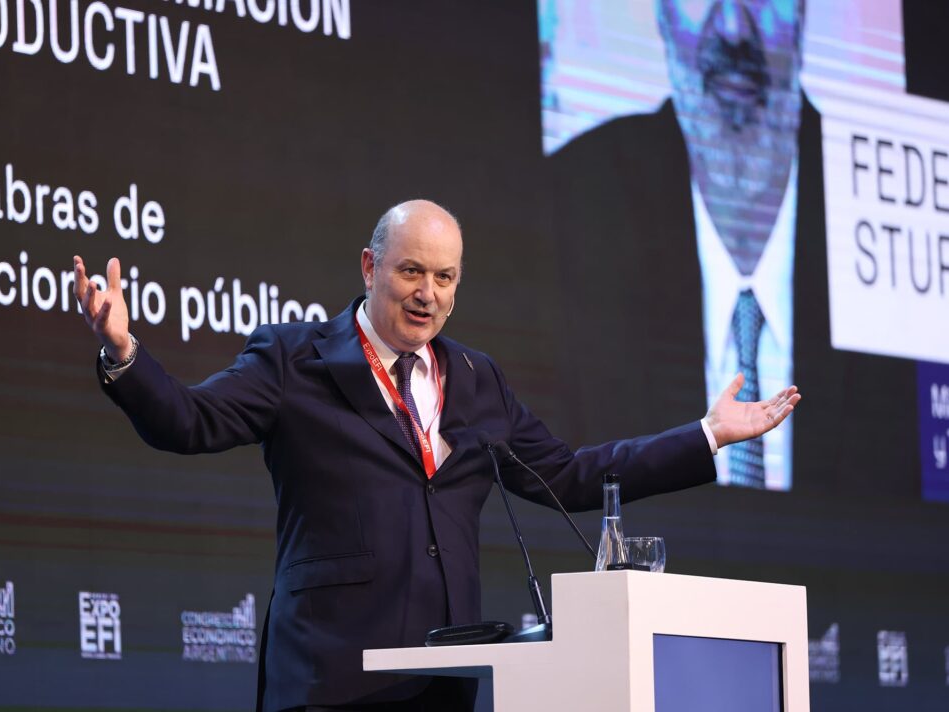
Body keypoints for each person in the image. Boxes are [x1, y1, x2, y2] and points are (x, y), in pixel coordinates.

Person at [74, 199, 799, 711]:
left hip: (443, 677)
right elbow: (189, 421)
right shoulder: (295, 359)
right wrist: (124, 351)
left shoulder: (477, 378)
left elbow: (568, 476)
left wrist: (706, 435)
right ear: (369, 267)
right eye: (411, 272)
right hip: (331, 676)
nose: (428, 294)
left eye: (445, 277)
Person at [548, 0, 916, 493]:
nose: (733, 28)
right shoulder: (570, 196)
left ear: (802, 13)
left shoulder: (884, 202)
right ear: (663, 15)